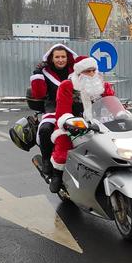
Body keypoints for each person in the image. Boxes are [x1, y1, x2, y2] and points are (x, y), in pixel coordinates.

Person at [49, 56, 115, 193]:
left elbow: (113, 104)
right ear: (79, 73)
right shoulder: (67, 86)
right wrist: (70, 122)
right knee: (63, 146)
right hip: (73, 126)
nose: (91, 74)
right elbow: (62, 112)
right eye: (87, 71)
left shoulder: (103, 86)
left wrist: (122, 115)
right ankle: (57, 174)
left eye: (93, 70)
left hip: (100, 125)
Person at [30, 43, 79, 175]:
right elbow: (38, 94)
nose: (60, 59)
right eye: (57, 57)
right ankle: (46, 160)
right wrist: (37, 74)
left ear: (67, 57)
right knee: (45, 129)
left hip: (75, 110)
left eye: (63, 56)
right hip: (53, 110)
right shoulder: (45, 73)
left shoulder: (76, 72)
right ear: (51, 58)